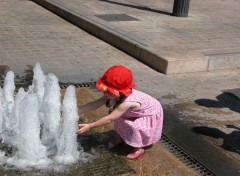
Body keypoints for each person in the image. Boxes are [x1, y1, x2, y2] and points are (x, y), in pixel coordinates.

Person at [76, 65, 163, 160]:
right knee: (120, 119)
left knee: (135, 127)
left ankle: (139, 149)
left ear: (120, 92)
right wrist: (76, 111)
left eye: (108, 91)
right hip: (135, 110)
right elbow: (95, 104)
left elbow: (109, 118)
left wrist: (90, 126)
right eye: (105, 90)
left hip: (150, 112)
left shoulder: (126, 103)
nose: (105, 93)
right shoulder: (112, 94)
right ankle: (120, 139)